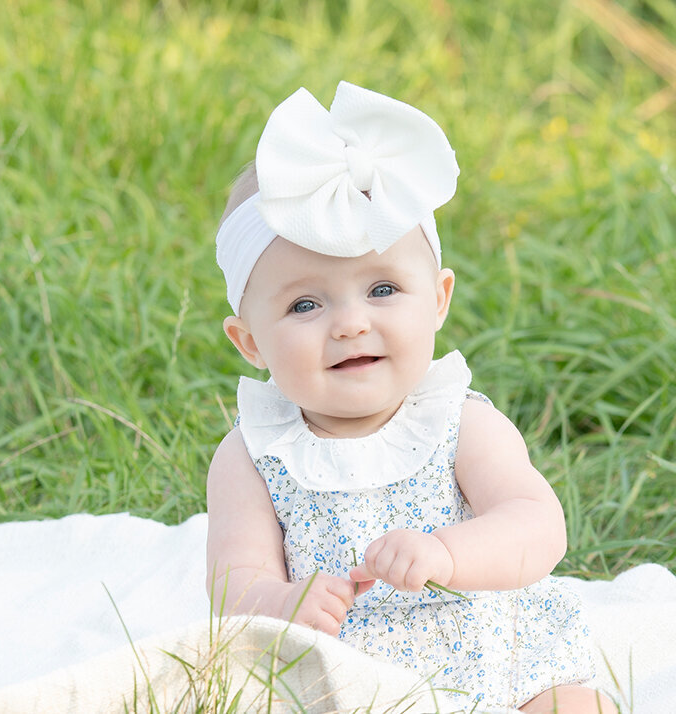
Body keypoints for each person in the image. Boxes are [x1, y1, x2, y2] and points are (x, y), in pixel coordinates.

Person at [205, 81, 614, 713]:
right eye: (305, 304)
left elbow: (538, 525)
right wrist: (282, 604)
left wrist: (448, 553)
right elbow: (235, 583)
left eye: (383, 290)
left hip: (498, 653)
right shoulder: (252, 456)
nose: (349, 323)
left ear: (440, 299)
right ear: (250, 341)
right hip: (345, 677)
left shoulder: (459, 423)